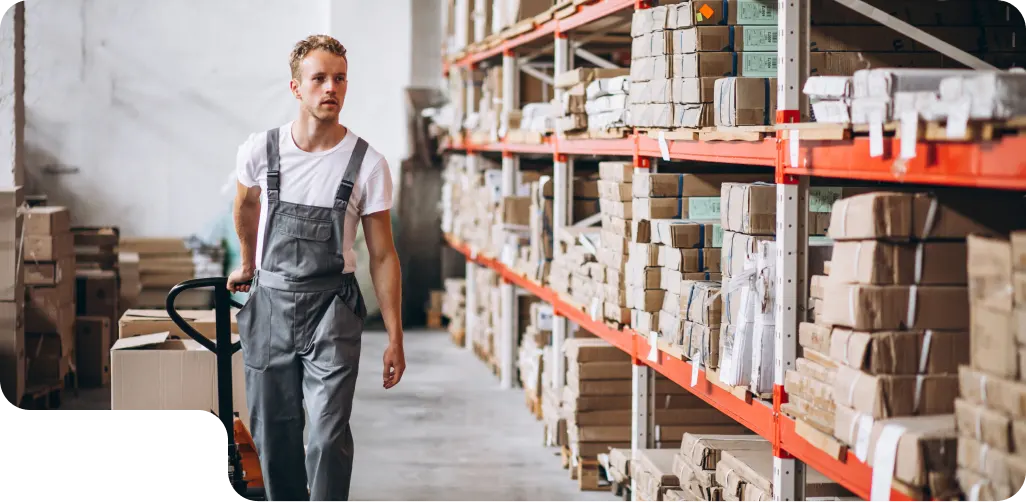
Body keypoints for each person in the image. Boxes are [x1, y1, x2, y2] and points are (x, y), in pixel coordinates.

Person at [227, 34, 405, 502]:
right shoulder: (261, 150)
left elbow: (384, 255)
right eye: (319, 78)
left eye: (340, 78)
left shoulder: (367, 163)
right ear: (295, 87)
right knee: (274, 435)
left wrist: (395, 336)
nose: (331, 88)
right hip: (270, 306)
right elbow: (244, 204)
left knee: (327, 437)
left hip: (333, 308)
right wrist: (248, 263)